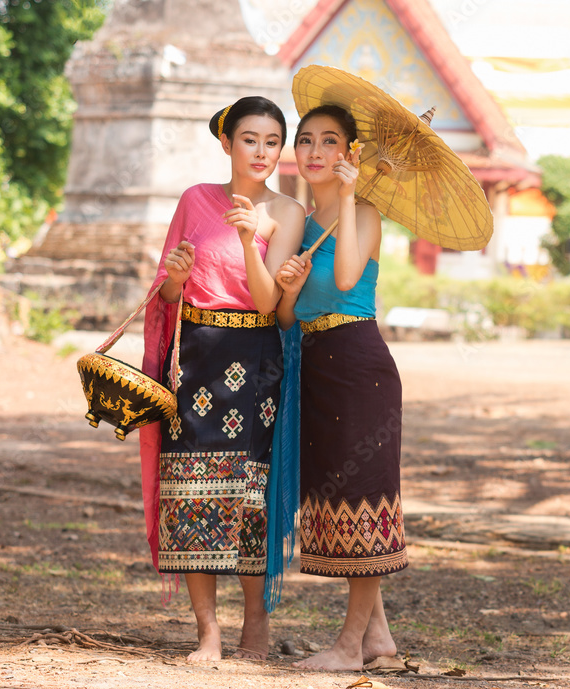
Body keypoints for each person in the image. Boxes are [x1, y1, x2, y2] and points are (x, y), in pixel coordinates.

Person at [138, 96, 305, 662]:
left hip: (255, 360)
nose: (261, 152)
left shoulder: (288, 212)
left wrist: (246, 239)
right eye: (250, 139)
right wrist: (176, 279)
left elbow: (266, 302)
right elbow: (164, 291)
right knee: (188, 491)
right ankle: (207, 631)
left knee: (248, 495)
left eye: (272, 142)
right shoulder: (194, 200)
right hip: (196, 359)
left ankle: (254, 621)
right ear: (227, 143)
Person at [276, 104, 408, 671]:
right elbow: (284, 318)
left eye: (330, 141)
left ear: (350, 154)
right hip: (314, 365)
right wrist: (288, 285)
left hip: (359, 366)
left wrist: (350, 200)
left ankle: (349, 647)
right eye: (305, 140)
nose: (315, 151)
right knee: (334, 500)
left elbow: (350, 278)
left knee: (363, 501)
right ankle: (377, 635)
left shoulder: (368, 214)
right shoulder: (300, 226)